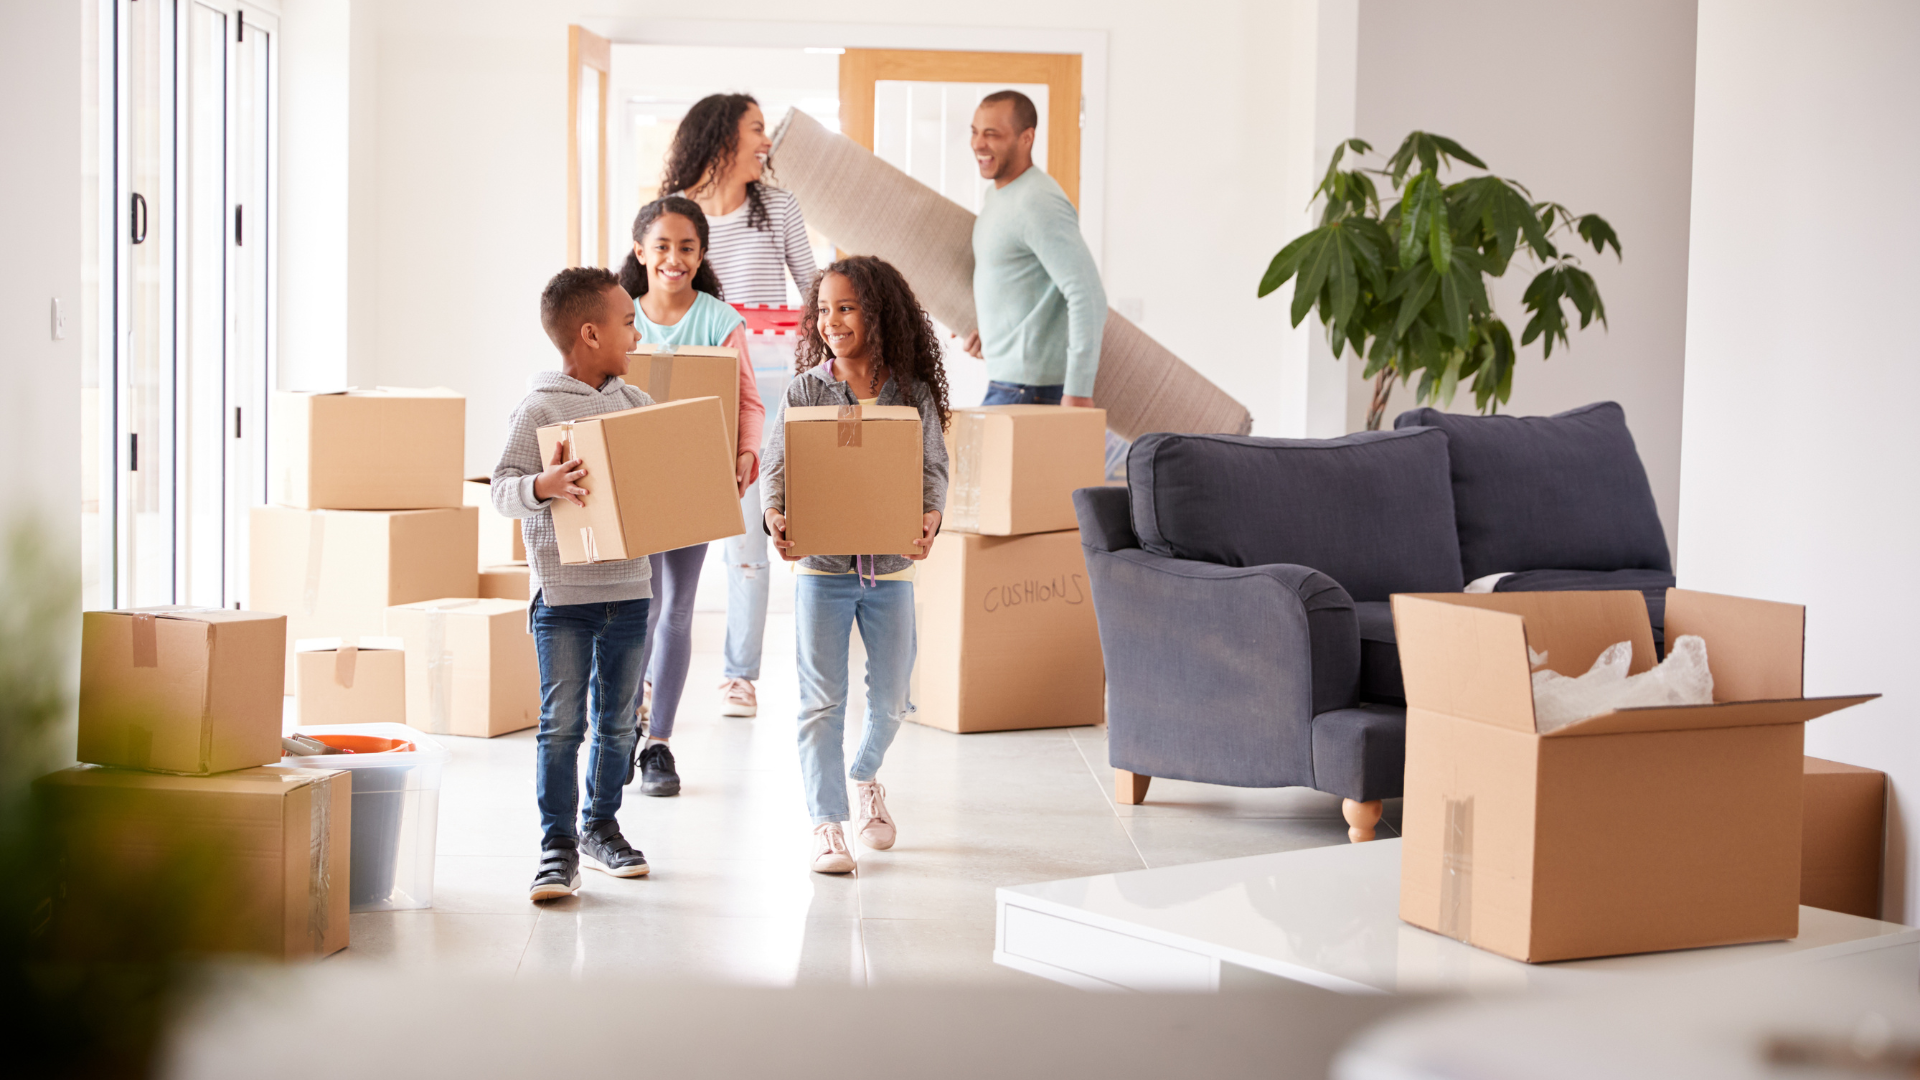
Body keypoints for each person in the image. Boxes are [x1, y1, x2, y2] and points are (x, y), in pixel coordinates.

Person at [760, 256, 950, 875]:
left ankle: (865, 775)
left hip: (890, 568)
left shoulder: (910, 393)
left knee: (894, 700)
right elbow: (777, 467)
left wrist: (931, 515)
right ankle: (827, 823)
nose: (831, 322)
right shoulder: (804, 391)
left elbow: (932, 471)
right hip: (821, 567)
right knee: (821, 702)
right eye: (822, 310)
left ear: (879, 312)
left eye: (846, 308)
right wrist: (775, 514)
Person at [494, 267, 656, 902]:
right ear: (590, 334)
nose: (636, 331)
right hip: (563, 598)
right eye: (626, 322)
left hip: (631, 589)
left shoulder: (634, 404)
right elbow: (503, 488)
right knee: (562, 722)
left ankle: (601, 826)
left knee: (618, 722)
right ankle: (557, 844)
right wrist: (544, 486)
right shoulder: (538, 407)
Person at [661, 93, 819, 722]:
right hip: (692, 386)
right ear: (722, 137)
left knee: (751, 534)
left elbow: (814, 293)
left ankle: (739, 676)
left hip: (767, 387)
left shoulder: (777, 208)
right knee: (667, 531)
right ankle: (651, 674)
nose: (766, 142)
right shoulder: (678, 218)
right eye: (756, 129)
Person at [616, 196, 765, 798]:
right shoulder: (618, 313)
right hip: (633, 479)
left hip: (697, 478)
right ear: (640, 251)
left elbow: (749, 402)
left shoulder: (720, 321)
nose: (674, 259)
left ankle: (660, 744)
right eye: (662, 247)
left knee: (677, 606)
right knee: (638, 610)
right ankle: (623, 729)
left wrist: (746, 456)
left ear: (701, 255)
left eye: (687, 248)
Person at [962, 90, 1108, 409]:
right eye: (974, 132)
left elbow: (1088, 295)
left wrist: (1079, 390)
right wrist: (993, 334)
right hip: (1010, 381)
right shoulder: (998, 197)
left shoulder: (1038, 201)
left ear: (1026, 138)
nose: (978, 144)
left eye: (992, 134)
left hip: (1032, 389)